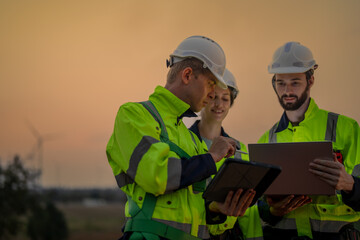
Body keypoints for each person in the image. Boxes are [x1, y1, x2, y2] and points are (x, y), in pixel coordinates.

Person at [106, 35, 253, 240]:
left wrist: (217, 210)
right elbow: (156, 175)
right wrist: (211, 158)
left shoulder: (192, 139)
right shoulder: (134, 115)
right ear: (187, 75)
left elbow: (197, 211)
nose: (213, 94)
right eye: (211, 83)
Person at [258, 41, 360, 240]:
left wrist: (350, 185)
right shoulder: (266, 141)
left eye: (295, 82)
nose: (287, 90)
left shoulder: (346, 128)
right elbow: (258, 206)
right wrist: (273, 212)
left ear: (310, 80)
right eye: (280, 82)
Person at [189, 69, 262, 240]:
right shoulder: (183, 142)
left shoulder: (240, 150)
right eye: (213, 97)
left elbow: (249, 210)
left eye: (225, 99)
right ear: (204, 98)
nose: (219, 105)